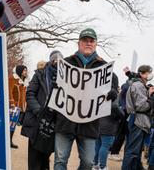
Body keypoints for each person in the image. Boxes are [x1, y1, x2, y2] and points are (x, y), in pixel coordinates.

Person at [54, 28, 118, 170]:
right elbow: (55, 88)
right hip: (65, 122)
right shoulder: (66, 63)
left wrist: (113, 93)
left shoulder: (104, 67)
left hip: (90, 125)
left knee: (88, 162)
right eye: (85, 40)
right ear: (79, 43)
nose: (88, 43)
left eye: (91, 41)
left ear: (95, 44)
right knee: (60, 161)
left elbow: (112, 89)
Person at [21, 51, 63, 170]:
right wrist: (39, 111)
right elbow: (30, 94)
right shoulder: (40, 74)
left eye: (60, 60)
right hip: (36, 120)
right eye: (55, 59)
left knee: (45, 157)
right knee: (34, 158)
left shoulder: (65, 77)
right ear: (50, 60)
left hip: (53, 123)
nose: (57, 62)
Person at [122, 65, 154, 170]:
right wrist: (150, 99)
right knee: (132, 151)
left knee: (136, 150)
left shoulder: (140, 85)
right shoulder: (139, 85)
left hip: (140, 120)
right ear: (141, 73)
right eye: (147, 73)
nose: (149, 75)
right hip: (138, 120)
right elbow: (141, 106)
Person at [9, 65, 28, 148]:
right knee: (9, 124)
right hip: (12, 106)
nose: (26, 72)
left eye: (26, 70)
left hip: (18, 107)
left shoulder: (24, 82)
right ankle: (6, 141)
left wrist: (24, 107)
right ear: (20, 71)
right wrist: (12, 103)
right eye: (24, 70)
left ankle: (9, 141)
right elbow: (9, 91)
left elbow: (24, 96)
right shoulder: (12, 79)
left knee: (13, 125)